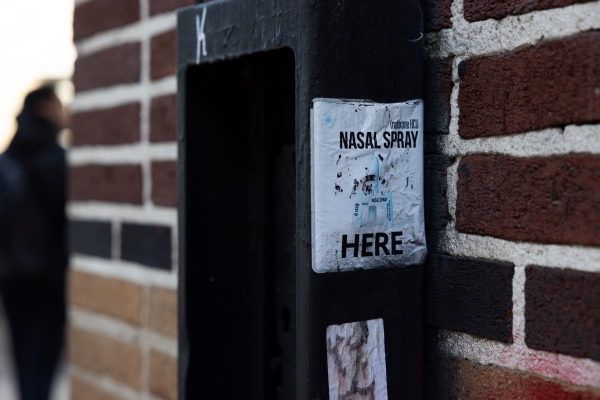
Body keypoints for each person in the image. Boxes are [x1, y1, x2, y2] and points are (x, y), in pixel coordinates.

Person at [0, 84, 68, 400]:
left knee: (23, 366)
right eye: (59, 103)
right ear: (43, 107)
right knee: (41, 367)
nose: (65, 109)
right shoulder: (55, 158)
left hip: (11, 277)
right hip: (48, 281)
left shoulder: (7, 159)